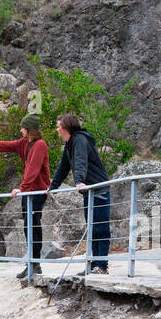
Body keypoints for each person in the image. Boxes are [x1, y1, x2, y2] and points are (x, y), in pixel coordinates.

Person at [0, 114, 50, 280]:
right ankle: (32, 263)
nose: (20, 130)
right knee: (29, 228)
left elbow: (33, 170)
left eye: (23, 127)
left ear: (29, 129)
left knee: (33, 226)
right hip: (28, 193)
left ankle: (35, 264)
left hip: (37, 192)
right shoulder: (24, 143)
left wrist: (21, 188)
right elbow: (4, 145)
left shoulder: (40, 145)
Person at [50, 113, 111, 274]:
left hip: (99, 189)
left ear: (65, 128)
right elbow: (63, 167)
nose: (57, 130)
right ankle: (93, 265)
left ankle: (102, 265)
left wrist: (78, 181)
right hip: (88, 192)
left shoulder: (80, 140)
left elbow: (80, 161)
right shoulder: (69, 144)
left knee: (101, 228)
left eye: (58, 127)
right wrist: (53, 186)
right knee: (91, 229)